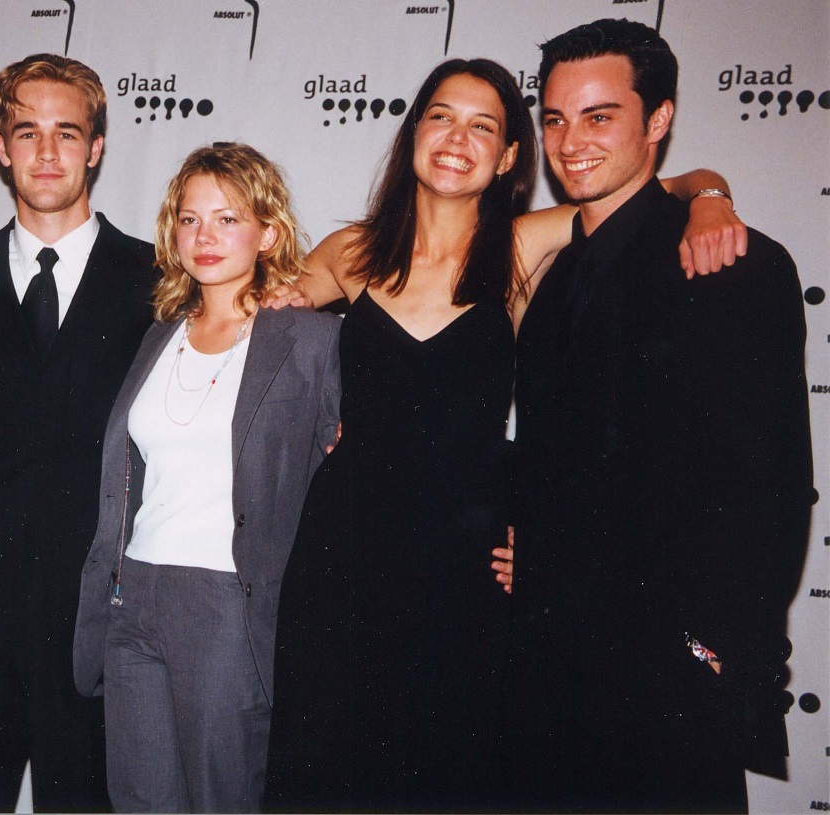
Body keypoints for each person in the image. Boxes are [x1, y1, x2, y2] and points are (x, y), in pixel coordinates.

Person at [265, 56, 749, 812]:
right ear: (413, 133)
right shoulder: (349, 252)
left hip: (464, 564)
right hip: (344, 550)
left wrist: (711, 197)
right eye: (441, 117)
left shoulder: (521, 247)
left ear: (508, 157)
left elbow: (655, 189)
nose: (457, 139)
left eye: (482, 126)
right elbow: (262, 325)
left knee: (448, 767)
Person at [508, 19, 812, 812]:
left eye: (599, 116)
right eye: (555, 119)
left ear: (659, 119)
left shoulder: (729, 260)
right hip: (545, 679)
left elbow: (774, 482)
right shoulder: (552, 278)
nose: (570, 143)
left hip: (667, 688)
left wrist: (712, 649)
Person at [0, 54, 157, 813]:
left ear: (96, 147)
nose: (47, 153)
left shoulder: (160, 278)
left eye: (67, 133)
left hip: (100, 607)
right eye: (27, 132)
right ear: (0, 146)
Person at [72, 143, 340, 813]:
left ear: (267, 233)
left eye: (228, 219)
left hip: (226, 602)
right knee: (140, 799)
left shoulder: (312, 339)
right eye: (190, 220)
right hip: (133, 595)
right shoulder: (159, 334)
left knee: (222, 799)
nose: (205, 237)